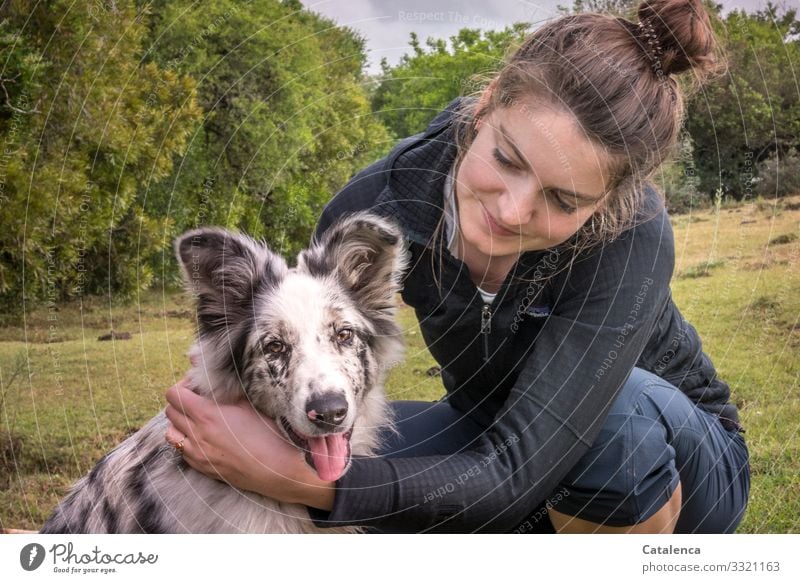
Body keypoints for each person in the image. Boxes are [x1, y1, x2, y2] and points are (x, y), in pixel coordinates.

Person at [164, 0, 750, 533]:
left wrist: (298, 481)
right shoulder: (375, 214)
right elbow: (303, 364)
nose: (513, 210)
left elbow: (518, 470)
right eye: (506, 158)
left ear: (611, 200)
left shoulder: (635, 231)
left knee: (614, 428)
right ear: (488, 103)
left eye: (564, 200)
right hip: (490, 431)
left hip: (681, 463)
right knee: (330, 466)